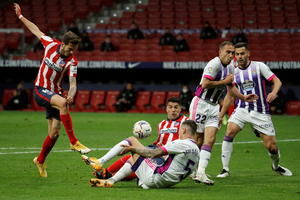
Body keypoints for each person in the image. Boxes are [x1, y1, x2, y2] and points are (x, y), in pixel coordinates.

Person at [13, 3, 91, 178]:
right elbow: (36, 30)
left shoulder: (72, 62)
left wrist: (71, 95)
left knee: (54, 133)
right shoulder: (49, 44)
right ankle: (74, 142)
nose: (72, 52)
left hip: (54, 93)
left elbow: (73, 83)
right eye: (70, 48)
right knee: (62, 103)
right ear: (63, 44)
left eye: (74, 49)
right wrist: (20, 16)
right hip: (40, 90)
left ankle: (40, 160)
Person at [216, 42, 292, 178]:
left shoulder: (259, 66)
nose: (239, 56)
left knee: (272, 147)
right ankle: (225, 169)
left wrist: (274, 92)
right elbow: (230, 95)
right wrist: (221, 115)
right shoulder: (232, 71)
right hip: (241, 109)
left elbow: (277, 81)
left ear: (248, 54)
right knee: (230, 131)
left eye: (242, 53)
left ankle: (276, 166)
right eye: (236, 54)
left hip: (260, 111)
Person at [189, 41, 257, 185]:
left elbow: (231, 88)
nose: (231, 55)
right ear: (220, 52)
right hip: (200, 103)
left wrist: (243, 97)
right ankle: (191, 168)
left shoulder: (232, 67)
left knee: (211, 138)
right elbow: (205, 84)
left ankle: (201, 172)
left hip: (214, 106)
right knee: (198, 139)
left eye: (233, 52)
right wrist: (223, 81)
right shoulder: (214, 64)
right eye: (228, 52)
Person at [89, 97, 189, 180]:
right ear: (166, 109)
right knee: (133, 158)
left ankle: (106, 171)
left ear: (180, 109)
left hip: (167, 158)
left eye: (176, 107)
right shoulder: (162, 124)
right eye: (170, 107)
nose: (173, 110)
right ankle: (106, 172)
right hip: (155, 151)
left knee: (134, 158)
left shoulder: (186, 122)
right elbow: (160, 141)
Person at [84, 120, 200, 189]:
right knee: (134, 158)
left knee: (131, 140)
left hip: (156, 178)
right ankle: (110, 181)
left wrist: (133, 148)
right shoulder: (197, 150)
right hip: (167, 183)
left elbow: (153, 154)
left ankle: (100, 161)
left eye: (180, 130)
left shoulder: (181, 143)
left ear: (184, 130)